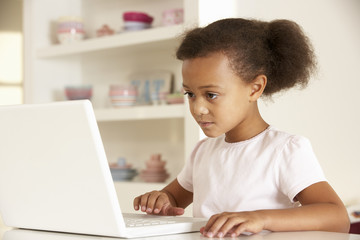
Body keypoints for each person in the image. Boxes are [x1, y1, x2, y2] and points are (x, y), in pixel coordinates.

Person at [133, 18, 350, 237]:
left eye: (211, 95)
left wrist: (260, 218)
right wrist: (160, 200)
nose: (198, 108)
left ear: (255, 88)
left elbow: (337, 218)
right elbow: (173, 198)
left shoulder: (284, 149)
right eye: (190, 94)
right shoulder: (202, 152)